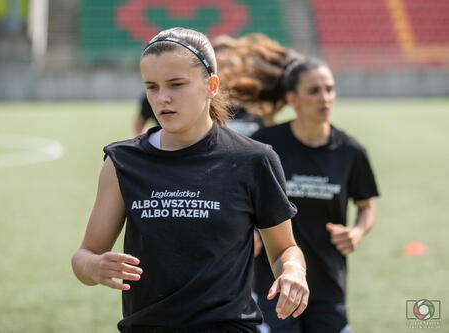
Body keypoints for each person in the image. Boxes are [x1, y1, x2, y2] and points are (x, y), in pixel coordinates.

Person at [71, 27, 309, 332]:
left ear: (211, 85)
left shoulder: (254, 159)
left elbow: (285, 249)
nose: (162, 98)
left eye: (176, 84)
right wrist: (94, 266)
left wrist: (293, 271)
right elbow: (84, 255)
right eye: (151, 87)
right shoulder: (122, 162)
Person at [251, 57, 379, 332]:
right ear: (292, 99)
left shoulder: (350, 151)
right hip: (275, 284)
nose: (325, 97)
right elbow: (243, 200)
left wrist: (356, 232)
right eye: (314, 91)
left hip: (328, 284)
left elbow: (366, 206)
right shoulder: (265, 145)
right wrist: (247, 231)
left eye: (329, 89)